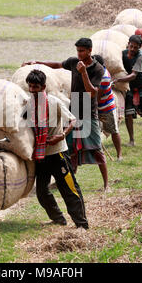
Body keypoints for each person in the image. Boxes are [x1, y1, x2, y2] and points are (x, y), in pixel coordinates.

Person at [22, 38, 109, 191]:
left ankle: (106, 184)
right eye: (78, 50)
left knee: (96, 148)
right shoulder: (74, 61)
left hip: (88, 110)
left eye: (82, 51)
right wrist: (37, 62)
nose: (79, 53)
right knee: (69, 148)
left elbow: (92, 93)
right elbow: (57, 65)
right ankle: (67, 180)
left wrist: (83, 73)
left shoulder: (98, 69)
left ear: (89, 50)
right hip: (74, 106)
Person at [26, 69, 89, 229]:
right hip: (41, 155)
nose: (33, 90)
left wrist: (61, 135)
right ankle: (58, 218)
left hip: (58, 153)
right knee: (41, 192)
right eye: (30, 87)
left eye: (36, 87)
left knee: (68, 189)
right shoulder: (29, 104)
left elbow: (73, 120)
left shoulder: (54, 102)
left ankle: (81, 224)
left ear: (44, 87)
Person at [112, 35, 142, 152]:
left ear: (140, 47)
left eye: (135, 47)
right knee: (128, 114)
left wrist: (118, 80)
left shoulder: (141, 56)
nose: (132, 49)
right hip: (130, 87)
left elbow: (134, 75)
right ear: (128, 44)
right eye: (131, 46)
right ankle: (131, 140)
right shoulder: (123, 54)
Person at [93, 54, 123, 163]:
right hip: (96, 105)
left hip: (106, 107)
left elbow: (97, 98)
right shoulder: (94, 73)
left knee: (113, 130)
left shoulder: (104, 77)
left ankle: (119, 155)